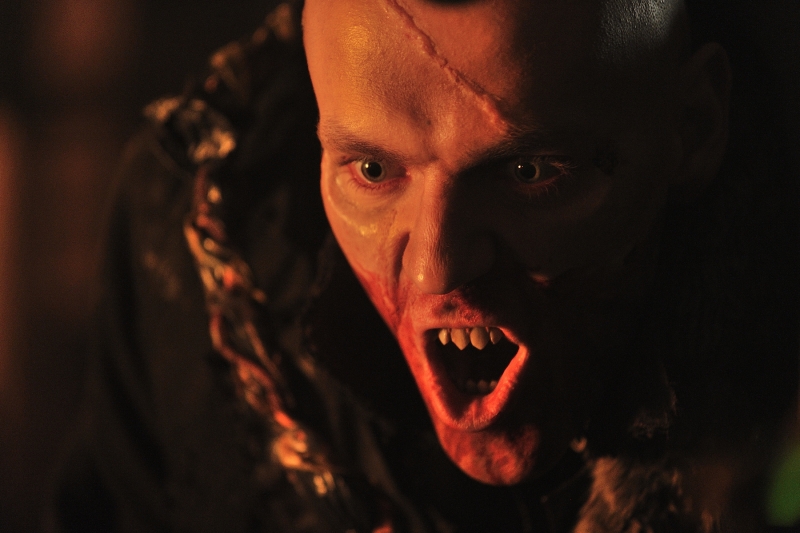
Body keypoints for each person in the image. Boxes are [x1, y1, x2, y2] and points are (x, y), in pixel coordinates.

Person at [52, 0, 798, 532]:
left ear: (693, 128)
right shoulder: (193, 242)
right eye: (372, 171)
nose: (435, 269)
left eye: (529, 172)